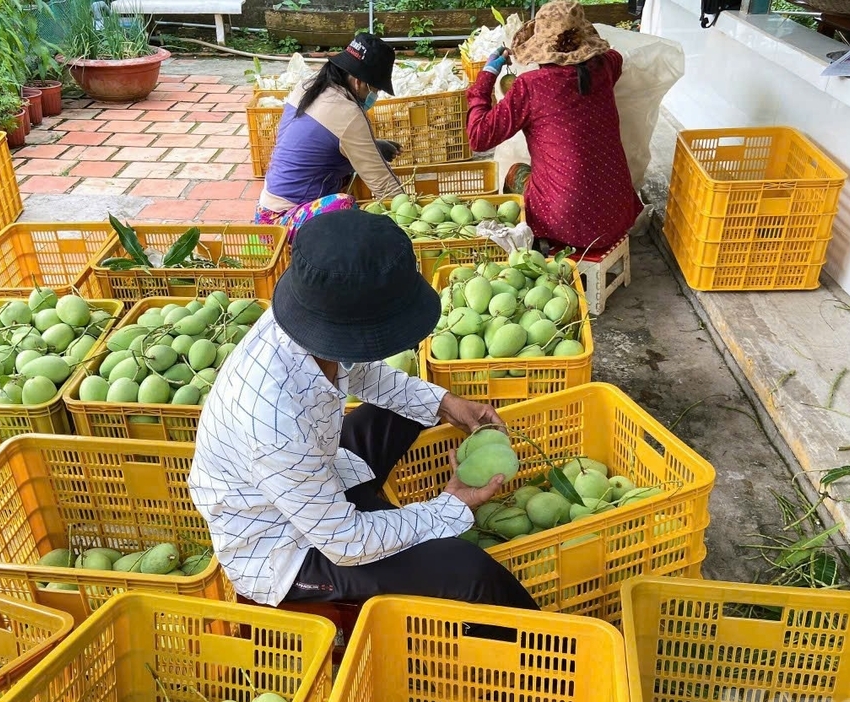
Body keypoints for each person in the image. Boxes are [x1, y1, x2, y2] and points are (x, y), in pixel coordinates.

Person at [188, 209, 539, 611]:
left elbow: (358, 372)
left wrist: (445, 405)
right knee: (470, 572)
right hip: (288, 549)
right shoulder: (274, 421)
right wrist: (451, 506)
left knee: (408, 408)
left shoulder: (304, 316)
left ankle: (398, 514)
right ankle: (552, 664)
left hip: (316, 477)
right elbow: (346, 541)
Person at [466, 0, 643, 255]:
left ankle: (532, 247)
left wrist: (487, 75)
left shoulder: (531, 86)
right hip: (617, 213)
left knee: (515, 171)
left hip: (564, 222)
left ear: (541, 47)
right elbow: (613, 56)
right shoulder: (604, 68)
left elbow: (478, 137)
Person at [253, 34, 408, 242]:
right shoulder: (348, 112)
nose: (374, 96)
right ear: (358, 81)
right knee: (344, 204)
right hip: (282, 223)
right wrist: (411, 216)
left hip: (264, 212)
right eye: (375, 89)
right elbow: (382, 184)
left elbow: (315, 142)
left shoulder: (309, 86)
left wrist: (374, 146)